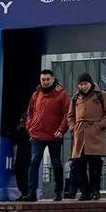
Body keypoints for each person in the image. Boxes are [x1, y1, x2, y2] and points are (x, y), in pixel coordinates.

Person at [23, 69, 71, 202]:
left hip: (54, 135)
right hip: (37, 135)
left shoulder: (62, 94)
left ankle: (58, 192)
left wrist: (61, 130)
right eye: (43, 80)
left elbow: (67, 114)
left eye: (47, 79)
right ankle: (31, 193)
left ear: (53, 79)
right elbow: (30, 112)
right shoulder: (36, 94)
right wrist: (29, 127)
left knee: (56, 163)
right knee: (34, 162)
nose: (45, 82)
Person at [66, 73, 106, 201]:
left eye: (85, 84)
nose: (83, 86)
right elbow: (70, 115)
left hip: (95, 135)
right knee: (79, 166)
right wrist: (73, 127)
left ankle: (95, 191)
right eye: (81, 84)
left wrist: (99, 126)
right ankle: (84, 192)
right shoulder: (76, 97)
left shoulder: (101, 95)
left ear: (90, 83)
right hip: (80, 135)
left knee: (95, 167)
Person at [3, 111, 32, 201]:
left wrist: (15, 133)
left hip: (25, 153)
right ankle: (24, 192)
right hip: (22, 153)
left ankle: (25, 192)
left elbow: (19, 139)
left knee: (22, 173)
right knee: (20, 173)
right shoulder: (22, 129)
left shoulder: (27, 129)